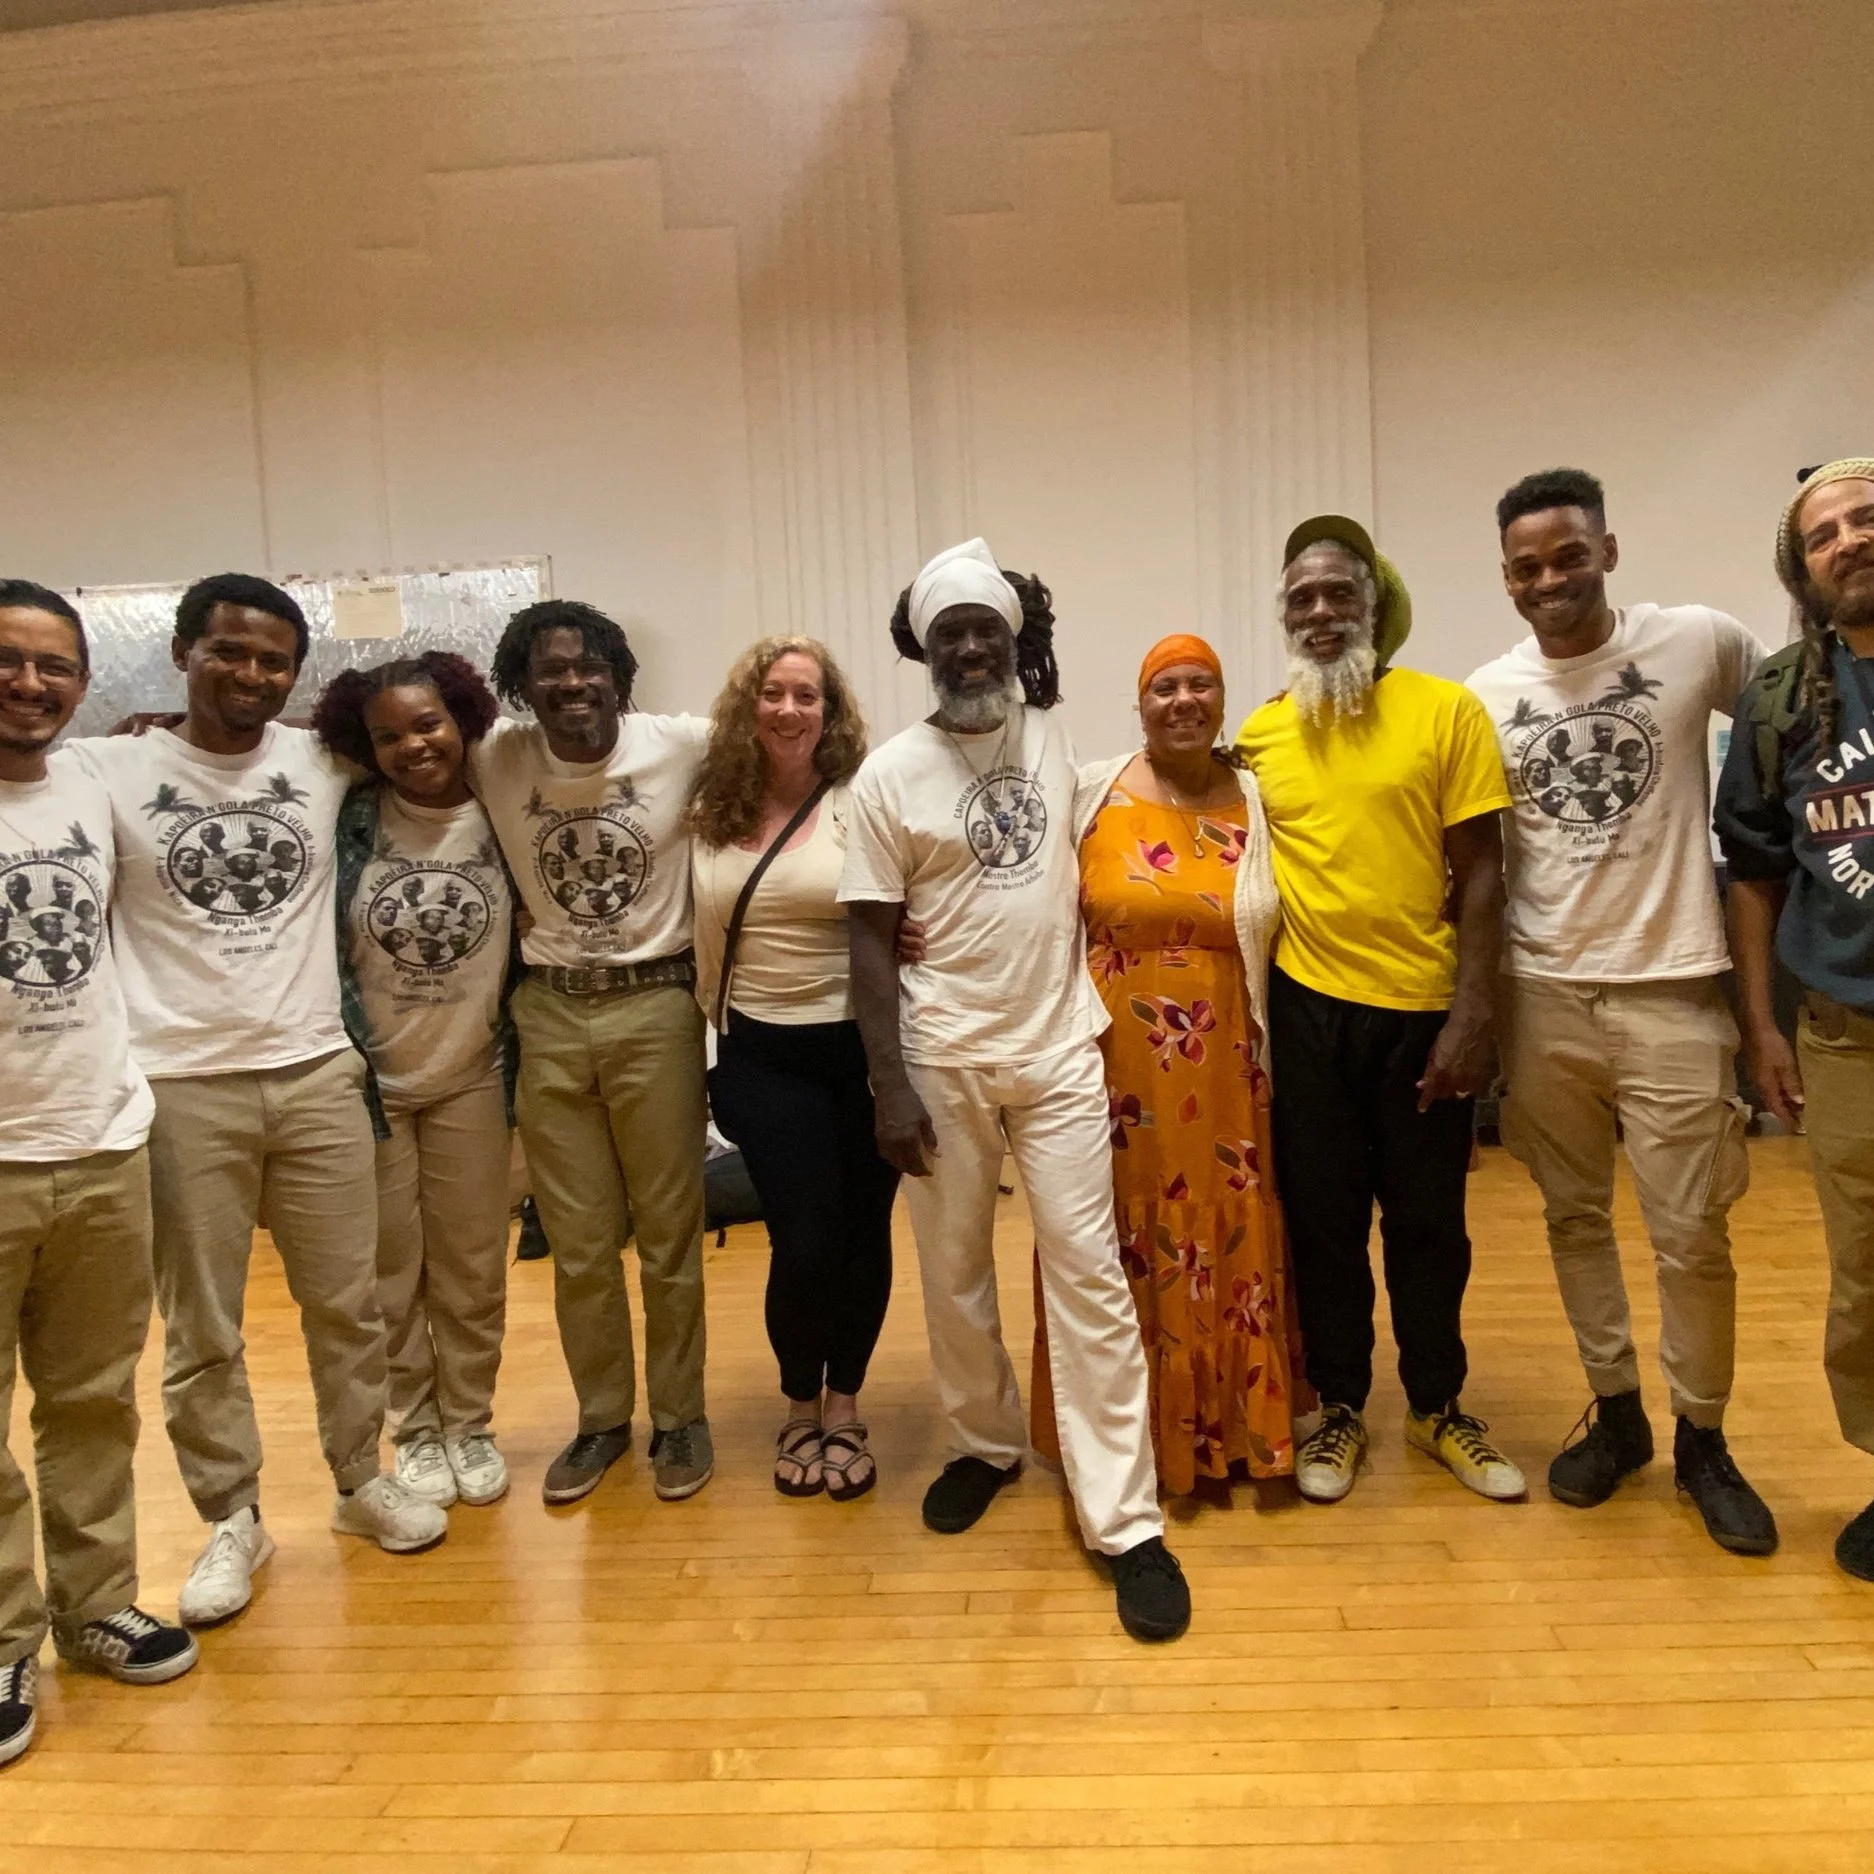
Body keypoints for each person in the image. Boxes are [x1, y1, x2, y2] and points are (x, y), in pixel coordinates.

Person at [63, 572, 447, 1629]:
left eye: (273, 659)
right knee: (205, 1329)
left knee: (348, 1303)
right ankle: (232, 1513)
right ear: (183, 652)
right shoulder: (108, 764)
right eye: (228, 651)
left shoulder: (321, 760)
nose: (250, 674)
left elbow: (447, 742)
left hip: (318, 1066)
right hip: (180, 1084)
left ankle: (359, 1477)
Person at [839, 538, 1190, 1643]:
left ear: (1011, 640)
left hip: (1057, 1050)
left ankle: (1122, 1517)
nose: (969, 647)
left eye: (985, 628)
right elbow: (863, 942)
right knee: (951, 1272)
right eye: (950, 634)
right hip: (940, 1058)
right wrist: (886, 1086)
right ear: (927, 651)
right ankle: (982, 1443)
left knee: (1087, 1273)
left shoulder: (1053, 731)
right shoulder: (888, 773)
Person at [1467, 468, 1774, 1553]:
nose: (1546, 577)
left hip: (1673, 984)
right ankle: (1619, 1412)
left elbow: (1793, 723)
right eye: (1524, 565)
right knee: (1571, 1216)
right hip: (1540, 992)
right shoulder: (1483, 693)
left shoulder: (1696, 640)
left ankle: (1703, 1436)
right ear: (1503, 579)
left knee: (1692, 1233)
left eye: (1564, 554)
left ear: (1605, 548)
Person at [1236, 517, 1525, 1505]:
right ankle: (1343, 1408)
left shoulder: (1445, 712)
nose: (1319, 612)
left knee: (1427, 1225)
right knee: (1320, 1224)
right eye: (1300, 598)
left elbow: (1482, 871)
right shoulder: (1261, 733)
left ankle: (1440, 1403)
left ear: (1373, 606)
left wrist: (1472, 1015)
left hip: (1421, 1013)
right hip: (1305, 1013)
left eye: (1337, 594)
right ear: (1284, 616)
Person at [1028, 634, 1301, 1496]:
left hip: (1229, 1065)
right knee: (1111, 1237)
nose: (1183, 700)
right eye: (1164, 687)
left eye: (1201, 685)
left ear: (1222, 701)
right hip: (1113, 1069)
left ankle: (1231, 1431)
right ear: (1139, 705)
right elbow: (1015, 890)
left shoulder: (1261, 798)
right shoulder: (1089, 793)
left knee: (1227, 1225)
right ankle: (1122, 1441)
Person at [0, 582, 197, 1767]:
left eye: (52, 665)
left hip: (102, 1138)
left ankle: (92, 1604)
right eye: (7, 661)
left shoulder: (99, 778)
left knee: (88, 1400)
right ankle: (1, 1634)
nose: (30, 683)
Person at [475, 599, 712, 1505]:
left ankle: (682, 1418)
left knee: (667, 1237)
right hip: (548, 1011)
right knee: (576, 1245)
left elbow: (798, 735)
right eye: (549, 671)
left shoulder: (681, 742)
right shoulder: (494, 755)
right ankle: (603, 1419)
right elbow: (383, 741)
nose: (571, 683)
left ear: (618, 672)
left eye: (588, 666)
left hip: (655, 1005)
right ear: (522, 686)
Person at [689, 637, 898, 1500]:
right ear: (749, 707)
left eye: (806, 695)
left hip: (861, 1049)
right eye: (772, 694)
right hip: (762, 1054)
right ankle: (796, 1404)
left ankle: (843, 1407)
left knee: (864, 1235)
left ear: (830, 711)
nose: (788, 710)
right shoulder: (710, 806)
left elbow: (904, 892)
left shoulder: (862, 799)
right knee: (806, 1237)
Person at [1716, 455, 1874, 1583]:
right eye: (1823, 534)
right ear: (1801, 568)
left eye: (1862, 518)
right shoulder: (1780, 697)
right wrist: (1758, 1026)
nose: (1847, 541)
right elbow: (1756, 869)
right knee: (1865, 1267)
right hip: (1845, 1028)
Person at [314, 652, 519, 1512]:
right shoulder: (351, 815)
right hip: (373, 1078)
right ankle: (419, 1427)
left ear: (463, 719)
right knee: (390, 1272)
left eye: (427, 724)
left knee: (472, 1266)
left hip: (473, 1074)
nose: (412, 746)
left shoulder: (504, 810)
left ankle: (471, 1422)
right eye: (388, 735)